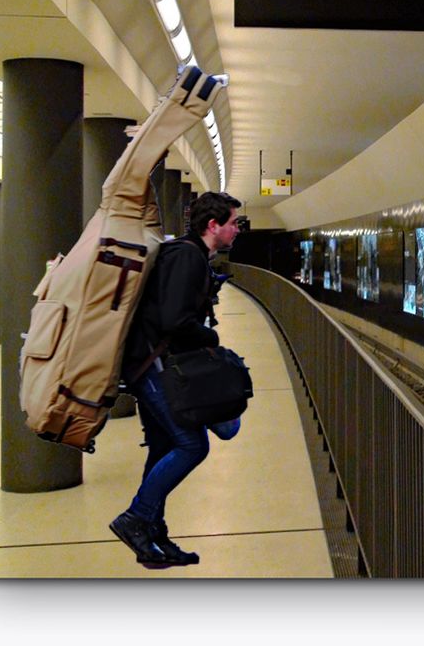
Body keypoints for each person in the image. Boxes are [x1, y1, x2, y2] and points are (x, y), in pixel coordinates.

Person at [110, 191, 244, 567]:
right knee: (192, 445)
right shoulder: (187, 257)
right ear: (213, 225)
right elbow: (175, 321)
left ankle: (154, 536)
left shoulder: (189, 254)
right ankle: (136, 518)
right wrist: (211, 338)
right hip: (154, 367)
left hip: (148, 364)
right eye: (233, 222)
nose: (237, 229)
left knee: (162, 448)